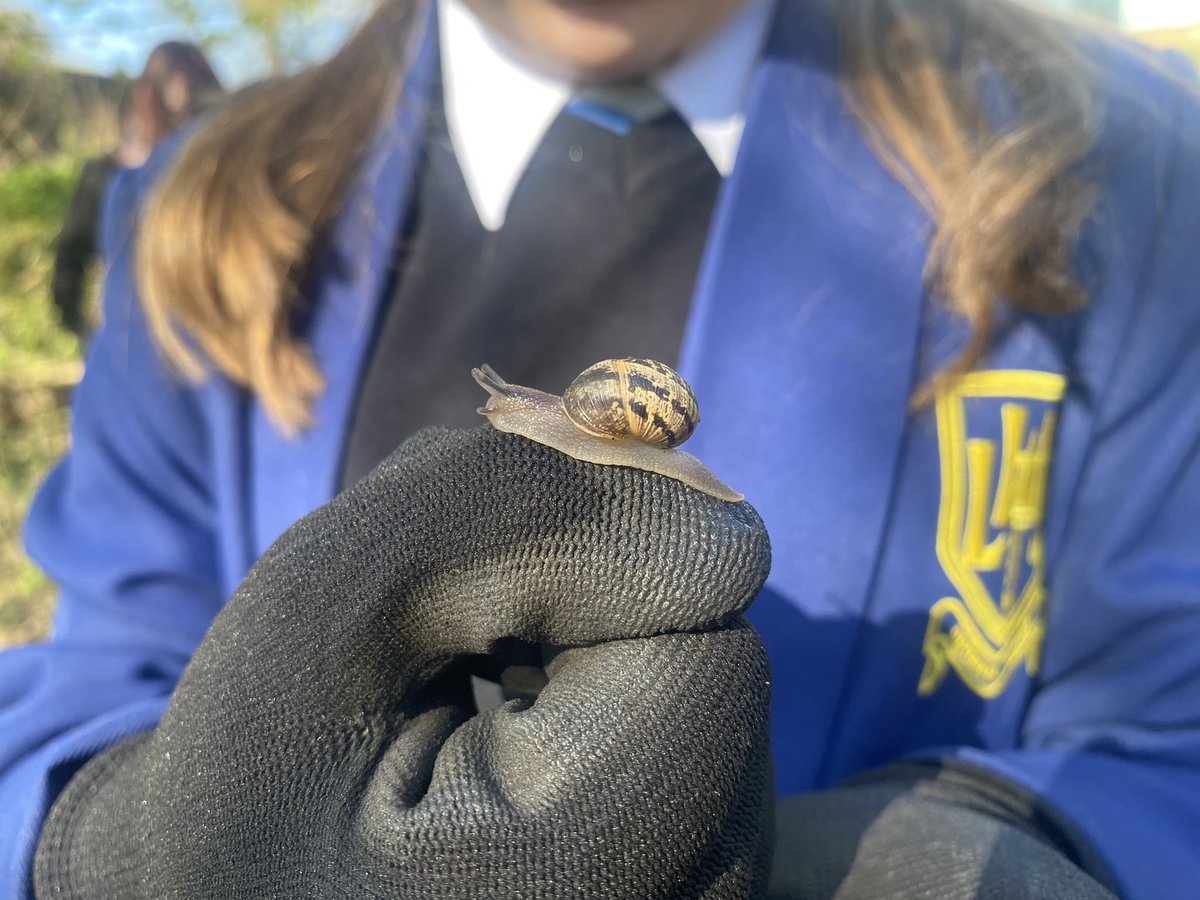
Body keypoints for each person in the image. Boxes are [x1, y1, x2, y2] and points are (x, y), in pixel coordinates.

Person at [2, 0, 1198, 896]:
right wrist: (112, 839)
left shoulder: (1128, 177)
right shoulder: (206, 208)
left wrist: (971, 849)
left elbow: (1163, 744)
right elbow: (97, 669)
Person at [50, 41, 222, 337]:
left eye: (199, 92)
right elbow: (71, 255)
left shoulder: (217, 175)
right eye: (176, 88)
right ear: (148, 97)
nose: (188, 104)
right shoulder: (109, 174)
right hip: (132, 347)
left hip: (211, 349)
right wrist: (82, 331)